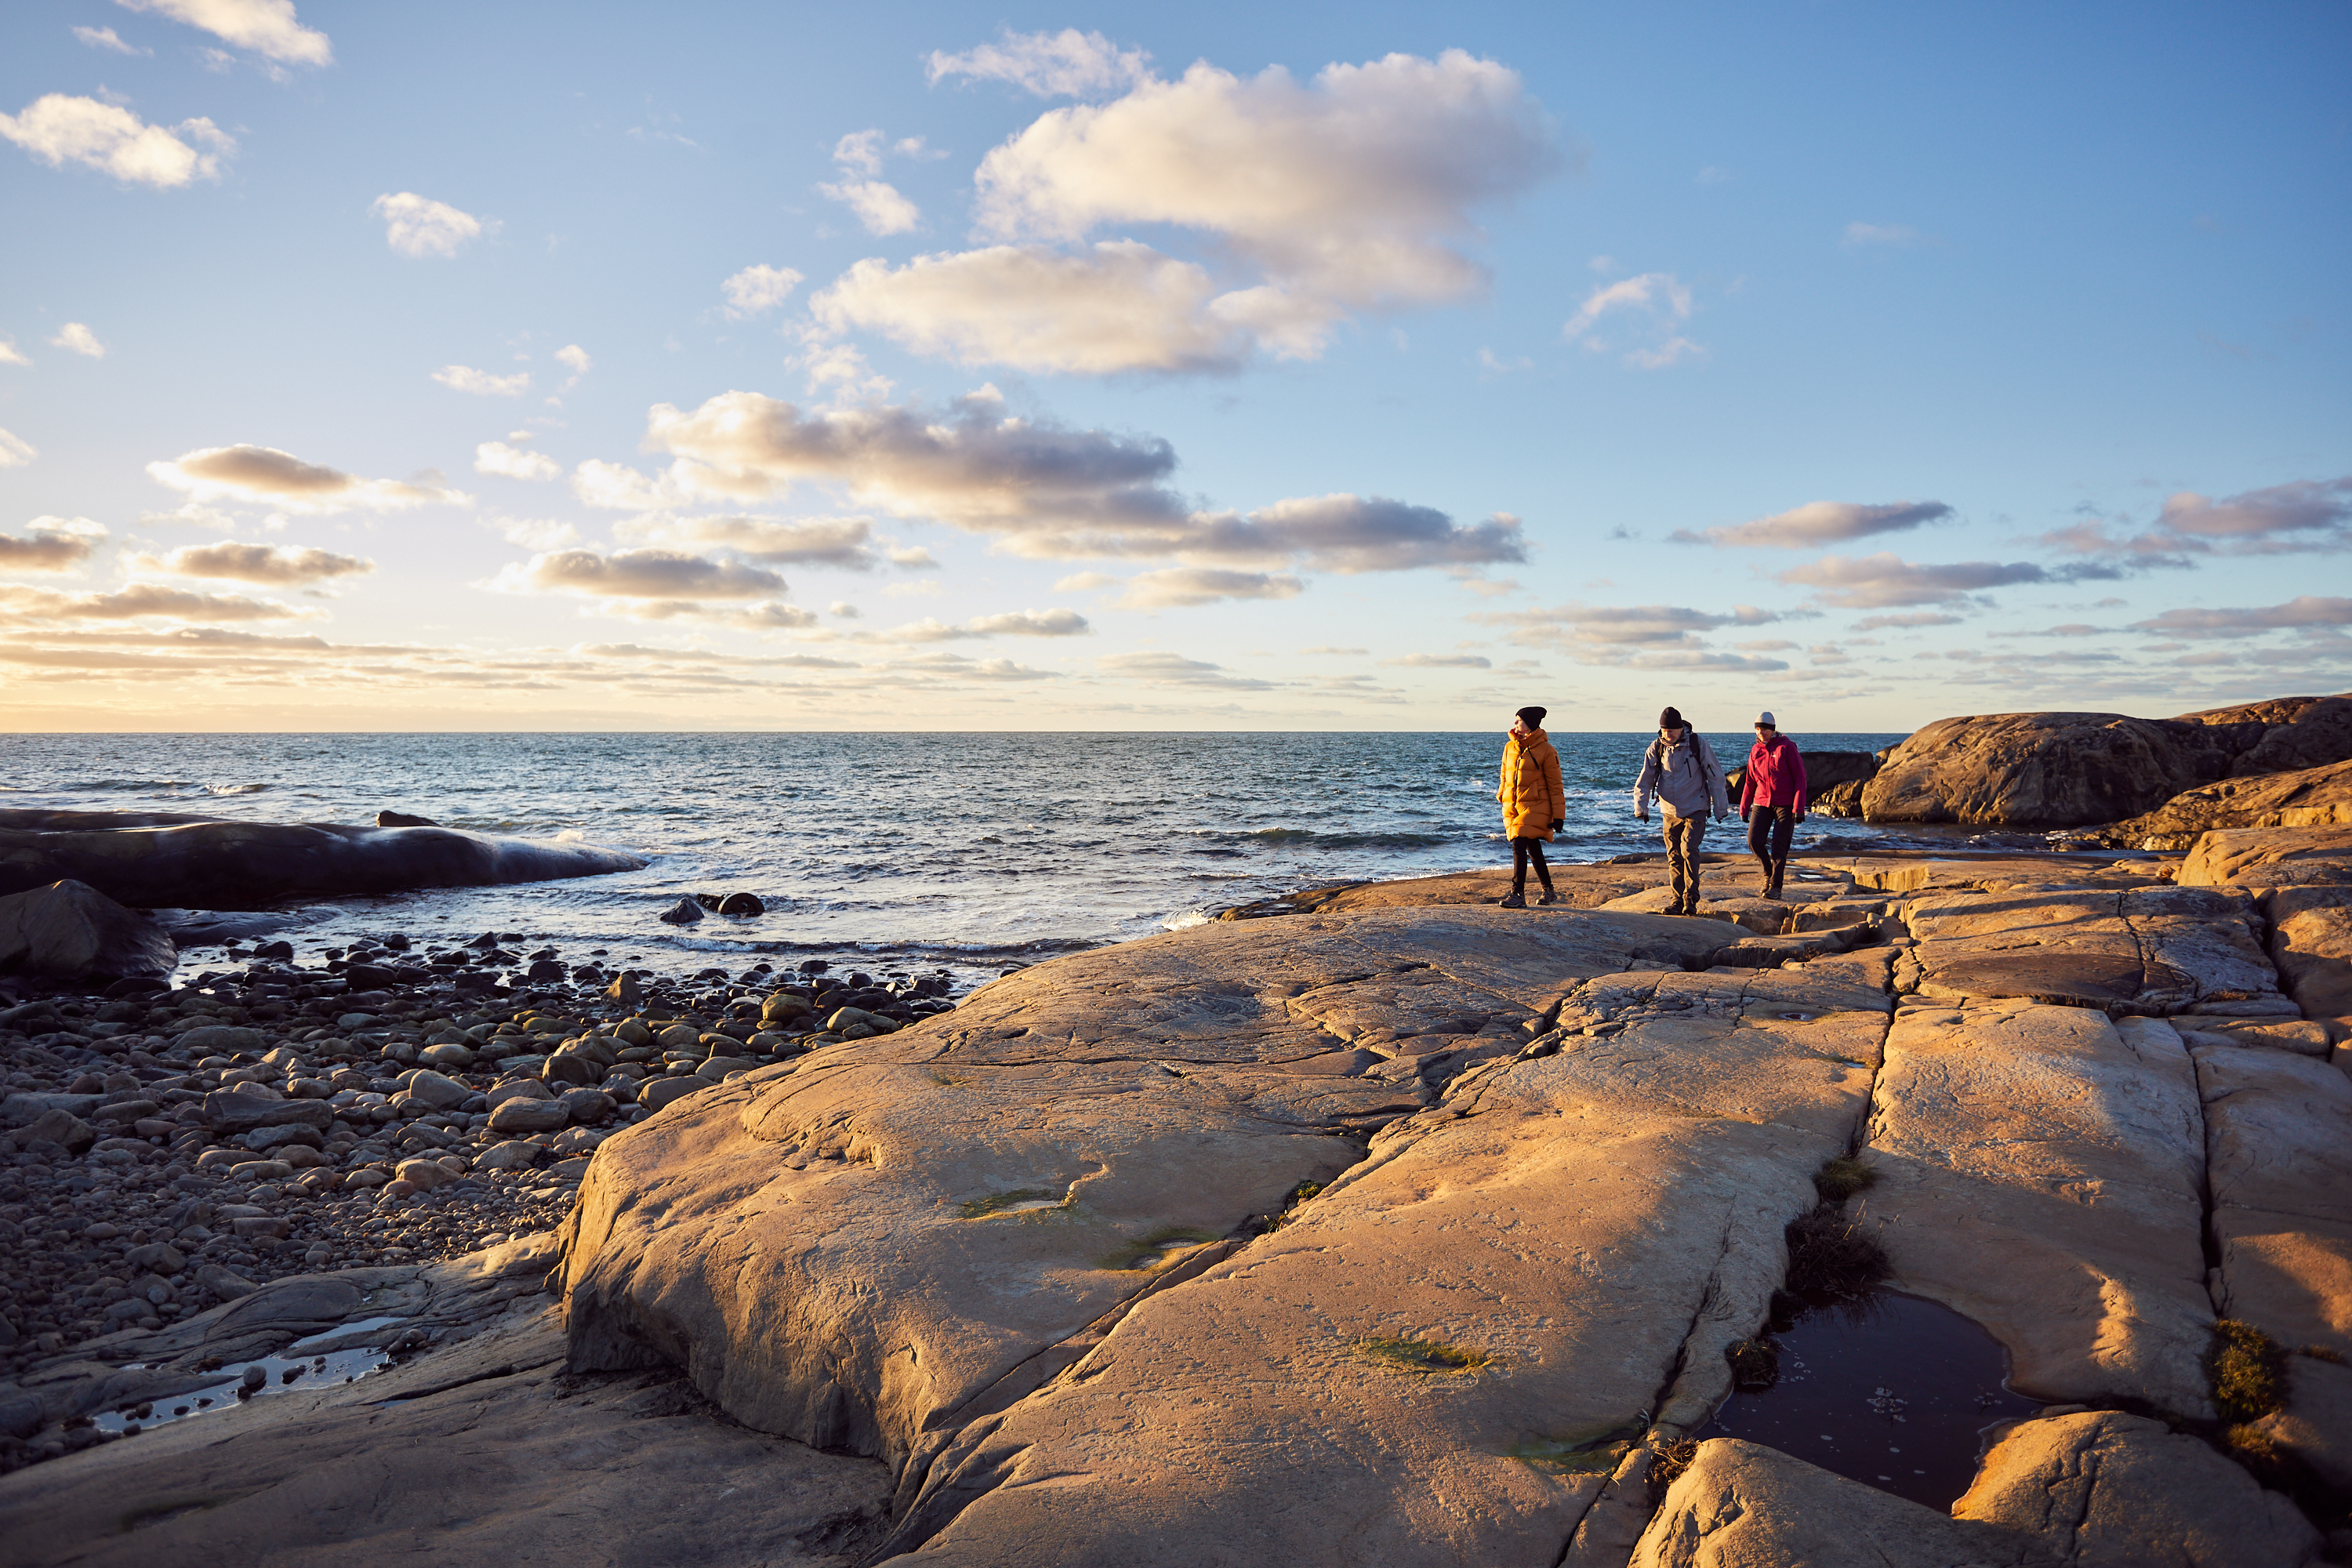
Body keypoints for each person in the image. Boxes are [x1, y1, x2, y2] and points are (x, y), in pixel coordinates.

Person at [1633, 706, 1730, 915]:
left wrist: (1721, 808)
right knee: (1674, 856)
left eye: (1671, 730)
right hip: (1669, 810)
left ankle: (1691, 899)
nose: (1668, 734)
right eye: (1664, 730)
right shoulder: (1657, 747)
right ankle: (1677, 900)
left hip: (1696, 807)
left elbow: (1715, 776)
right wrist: (1641, 807)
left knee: (1688, 849)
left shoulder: (1697, 744)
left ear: (1680, 728)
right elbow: (1645, 778)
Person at [1495, 705, 1565, 909]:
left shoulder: (1546, 750)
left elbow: (1555, 785)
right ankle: (1549, 890)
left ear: (1530, 725)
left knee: (1518, 841)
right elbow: (1504, 773)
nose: (1515, 724)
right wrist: (1502, 794)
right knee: (1532, 847)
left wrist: (1558, 816)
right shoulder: (1510, 747)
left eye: (1519, 721)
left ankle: (1517, 894)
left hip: (1537, 805)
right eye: (1516, 720)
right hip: (1514, 805)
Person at [1739, 710, 1809, 900]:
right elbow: (1749, 781)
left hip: (1785, 804)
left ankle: (1776, 886)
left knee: (1780, 845)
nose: (1761, 732)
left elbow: (1800, 777)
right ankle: (1767, 872)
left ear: (1772, 729)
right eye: (1758, 729)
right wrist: (1744, 808)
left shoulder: (1787, 747)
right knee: (1754, 841)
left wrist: (1798, 808)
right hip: (1762, 802)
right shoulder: (1755, 751)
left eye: (1764, 729)